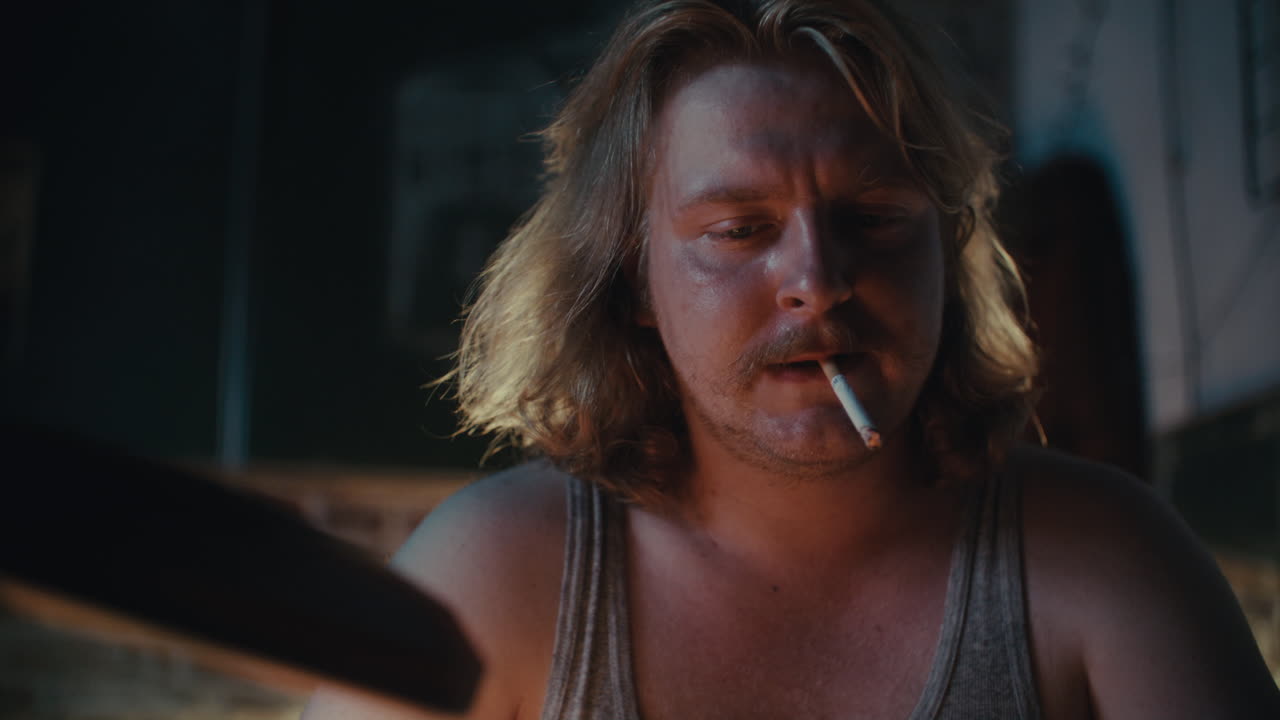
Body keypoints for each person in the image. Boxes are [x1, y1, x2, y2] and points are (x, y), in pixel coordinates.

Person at [305, 1, 1280, 717]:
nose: (818, 278)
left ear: (943, 249)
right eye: (738, 229)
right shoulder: (497, 575)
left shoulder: (1105, 560)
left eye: (872, 217)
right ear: (634, 283)